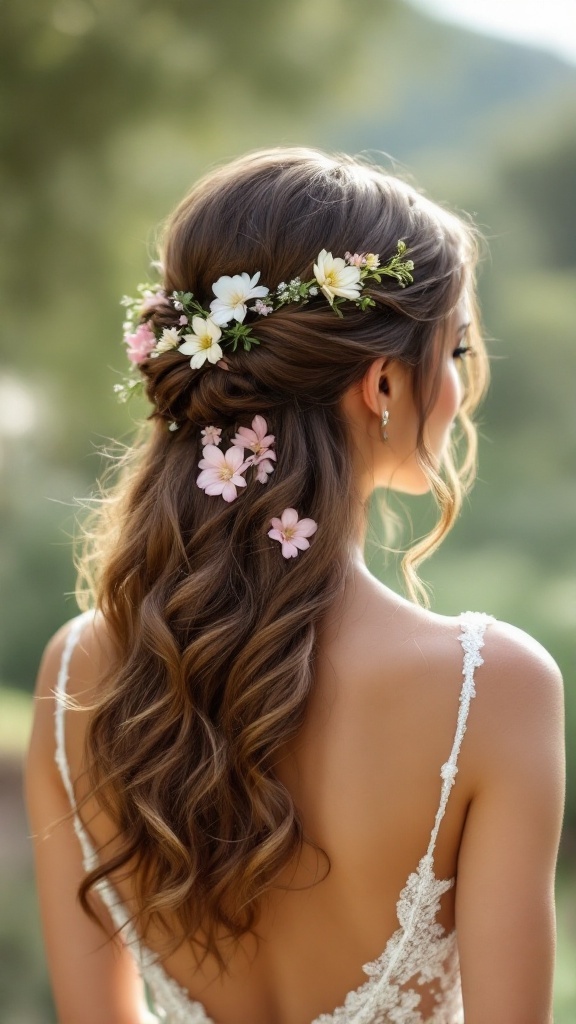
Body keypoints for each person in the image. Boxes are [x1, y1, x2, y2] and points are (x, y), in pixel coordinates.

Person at [25, 147, 565, 1024]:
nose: (464, 390)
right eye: (456, 348)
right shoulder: (493, 689)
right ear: (382, 382)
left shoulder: (75, 676)